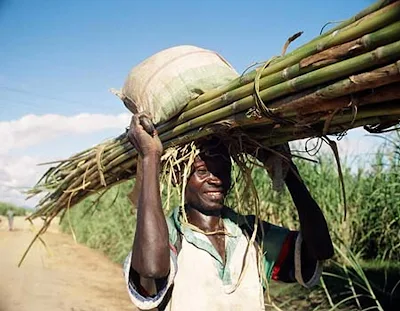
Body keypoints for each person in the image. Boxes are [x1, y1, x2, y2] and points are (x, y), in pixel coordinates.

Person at [123, 114, 334, 311]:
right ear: (180, 176)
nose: (216, 179)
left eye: (222, 170)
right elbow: (151, 269)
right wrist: (150, 156)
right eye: (203, 171)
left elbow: (320, 250)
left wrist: (287, 169)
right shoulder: (170, 235)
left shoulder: (250, 233)